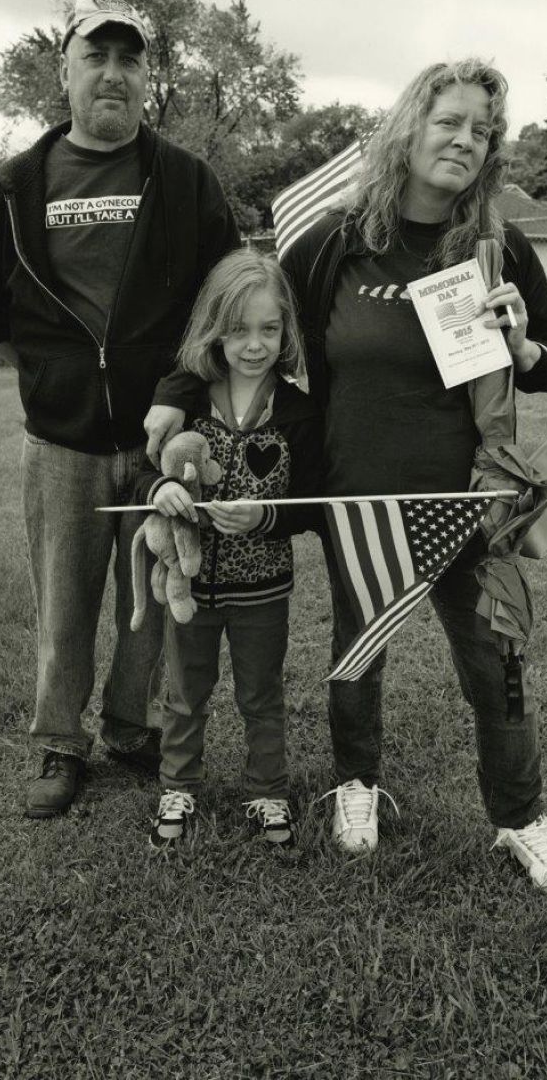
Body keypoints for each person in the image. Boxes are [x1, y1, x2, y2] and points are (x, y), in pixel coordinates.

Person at [148, 59, 547, 893]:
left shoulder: (497, 244)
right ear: (410, 127)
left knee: (498, 669)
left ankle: (521, 818)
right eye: (448, 120)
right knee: (358, 653)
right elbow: (254, 330)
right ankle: (357, 784)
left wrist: (525, 344)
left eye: (482, 130)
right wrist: (176, 390)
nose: (464, 139)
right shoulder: (335, 243)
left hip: (472, 502)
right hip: (360, 502)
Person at [0, 0, 239, 819]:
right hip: (62, 443)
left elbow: (225, 301)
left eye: (130, 59)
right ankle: (58, 741)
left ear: (148, 74)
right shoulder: (13, 188)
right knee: (64, 602)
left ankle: (130, 727)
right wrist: (57, 381)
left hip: (165, 440)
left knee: (149, 597)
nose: (113, 74)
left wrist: (178, 391)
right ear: (65, 70)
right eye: (96, 57)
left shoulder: (187, 182)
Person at [135, 249, 322, 849]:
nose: (253, 345)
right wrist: (161, 488)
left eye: (269, 329)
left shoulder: (297, 411)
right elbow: (142, 475)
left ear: (287, 330)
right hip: (188, 587)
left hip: (263, 586)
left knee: (260, 694)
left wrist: (265, 515)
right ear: (215, 328)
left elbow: (314, 500)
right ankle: (178, 784)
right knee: (185, 692)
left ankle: (267, 792)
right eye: (238, 329)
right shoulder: (188, 398)